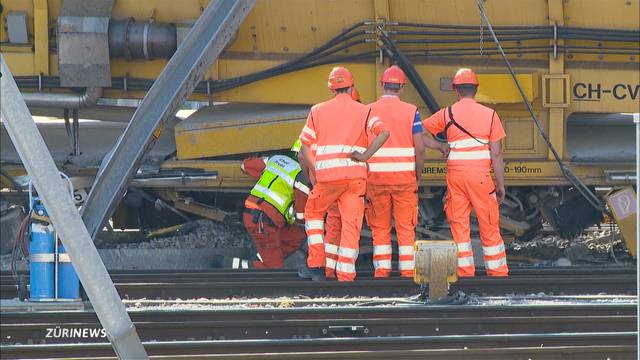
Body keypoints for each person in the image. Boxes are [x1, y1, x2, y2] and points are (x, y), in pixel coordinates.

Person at [300, 66, 390, 282]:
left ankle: (316, 264)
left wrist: (315, 168)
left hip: (327, 178)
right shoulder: (364, 110)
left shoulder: (317, 110)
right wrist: (365, 155)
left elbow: (305, 145)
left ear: (332, 89)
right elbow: (384, 132)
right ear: (352, 87)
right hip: (355, 178)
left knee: (313, 215)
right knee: (351, 224)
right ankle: (346, 275)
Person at [422, 68, 509, 277]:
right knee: (488, 223)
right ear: (476, 89)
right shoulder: (490, 115)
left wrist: (439, 146)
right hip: (480, 178)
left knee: (459, 225)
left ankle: (465, 272)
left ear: (456, 90)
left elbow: (419, 133)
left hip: (456, 177)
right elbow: (496, 154)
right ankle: (497, 272)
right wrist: (500, 184)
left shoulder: (447, 113)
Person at [365, 65, 448, 277]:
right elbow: (419, 148)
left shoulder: (368, 111)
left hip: (375, 180)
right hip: (404, 181)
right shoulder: (411, 111)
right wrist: (417, 175)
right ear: (402, 87)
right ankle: (407, 272)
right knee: (405, 228)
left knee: (380, 228)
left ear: (382, 85)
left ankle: (382, 271)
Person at [237, 141, 311, 270]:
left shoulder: (275, 159)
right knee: (274, 270)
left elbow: (244, 166)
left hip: (253, 215)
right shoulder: (301, 176)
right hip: (264, 221)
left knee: (297, 236)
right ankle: (233, 265)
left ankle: (264, 257)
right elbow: (301, 216)